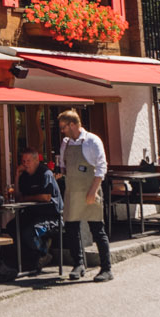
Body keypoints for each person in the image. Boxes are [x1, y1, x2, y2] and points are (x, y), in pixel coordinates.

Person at [58, 109, 112, 281]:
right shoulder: (65, 143)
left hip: (90, 190)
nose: (62, 131)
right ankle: (78, 264)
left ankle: (106, 269)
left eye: (64, 127)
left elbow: (102, 167)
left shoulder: (92, 141)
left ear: (73, 125)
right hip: (72, 191)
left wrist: (93, 191)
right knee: (72, 229)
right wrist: (60, 173)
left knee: (97, 229)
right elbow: (64, 166)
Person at [3, 147, 60, 278]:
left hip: (50, 215)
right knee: (12, 227)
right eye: (23, 161)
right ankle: (27, 260)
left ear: (36, 161)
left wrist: (26, 198)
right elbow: (18, 197)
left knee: (28, 232)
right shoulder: (24, 176)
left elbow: (46, 197)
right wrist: (17, 175)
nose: (25, 164)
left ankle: (42, 252)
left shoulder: (45, 173)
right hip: (31, 214)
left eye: (28, 161)